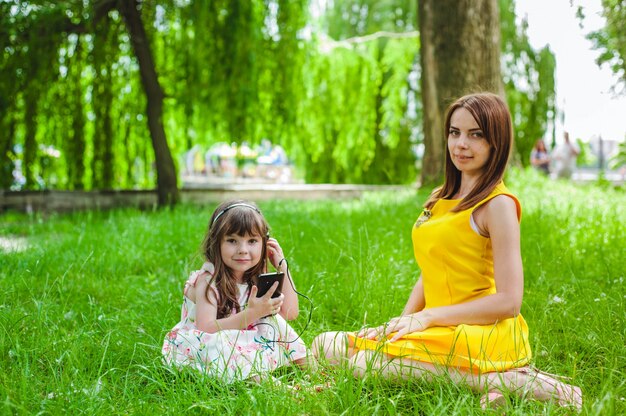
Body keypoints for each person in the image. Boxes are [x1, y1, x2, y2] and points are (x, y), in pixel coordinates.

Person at [311, 93, 582, 411]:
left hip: (480, 332)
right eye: (455, 132)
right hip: (437, 326)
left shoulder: (498, 205)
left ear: (497, 141)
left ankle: (515, 382)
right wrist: (401, 323)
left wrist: (428, 317)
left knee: (363, 365)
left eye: (475, 134)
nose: (461, 144)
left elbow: (509, 302)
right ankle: (491, 386)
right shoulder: (439, 196)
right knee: (323, 347)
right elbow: (432, 269)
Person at [162, 200, 309, 383]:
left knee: (274, 320)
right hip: (207, 342)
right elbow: (206, 328)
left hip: (241, 335)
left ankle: (313, 371)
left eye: (252, 241)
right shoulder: (209, 279)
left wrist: (282, 266)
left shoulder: (255, 275)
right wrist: (252, 313)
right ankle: (276, 387)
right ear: (216, 243)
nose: (243, 250)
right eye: (232, 241)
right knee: (226, 349)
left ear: (265, 243)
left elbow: (290, 313)